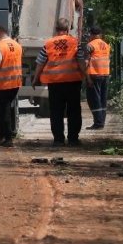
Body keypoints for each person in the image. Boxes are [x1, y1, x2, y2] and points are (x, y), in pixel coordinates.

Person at [32, 17, 88, 147]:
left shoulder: (48, 44)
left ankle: (58, 139)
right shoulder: (75, 43)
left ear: (56, 29)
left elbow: (40, 63)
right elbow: (81, 62)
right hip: (73, 82)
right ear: (68, 29)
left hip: (55, 83)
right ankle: (73, 139)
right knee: (74, 110)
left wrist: (35, 78)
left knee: (56, 111)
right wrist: (87, 77)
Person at [0, 24, 23, 147]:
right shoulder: (17, 45)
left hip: (3, 84)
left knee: (4, 110)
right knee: (3, 109)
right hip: (15, 83)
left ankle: (8, 139)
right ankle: (1, 136)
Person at [84, 27, 111, 130]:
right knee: (103, 99)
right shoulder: (106, 45)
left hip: (94, 75)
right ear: (100, 34)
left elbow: (86, 63)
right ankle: (101, 122)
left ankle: (98, 123)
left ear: (91, 34)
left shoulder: (90, 45)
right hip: (105, 74)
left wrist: (87, 78)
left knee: (93, 99)